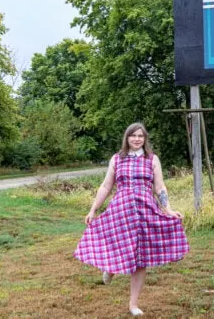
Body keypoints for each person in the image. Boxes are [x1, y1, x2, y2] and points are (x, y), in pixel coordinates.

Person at [74, 122, 189, 316]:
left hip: (145, 211)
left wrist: (168, 209)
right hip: (121, 210)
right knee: (118, 245)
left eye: (140, 136)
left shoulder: (152, 159)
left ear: (145, 139)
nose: (137, 139)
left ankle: (133, 304)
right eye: (133, 136)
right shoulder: (117, 159)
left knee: (140, 257)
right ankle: (111, 269)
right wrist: (93, 210)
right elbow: (105, 186)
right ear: (127, 138)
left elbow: (160, 187)